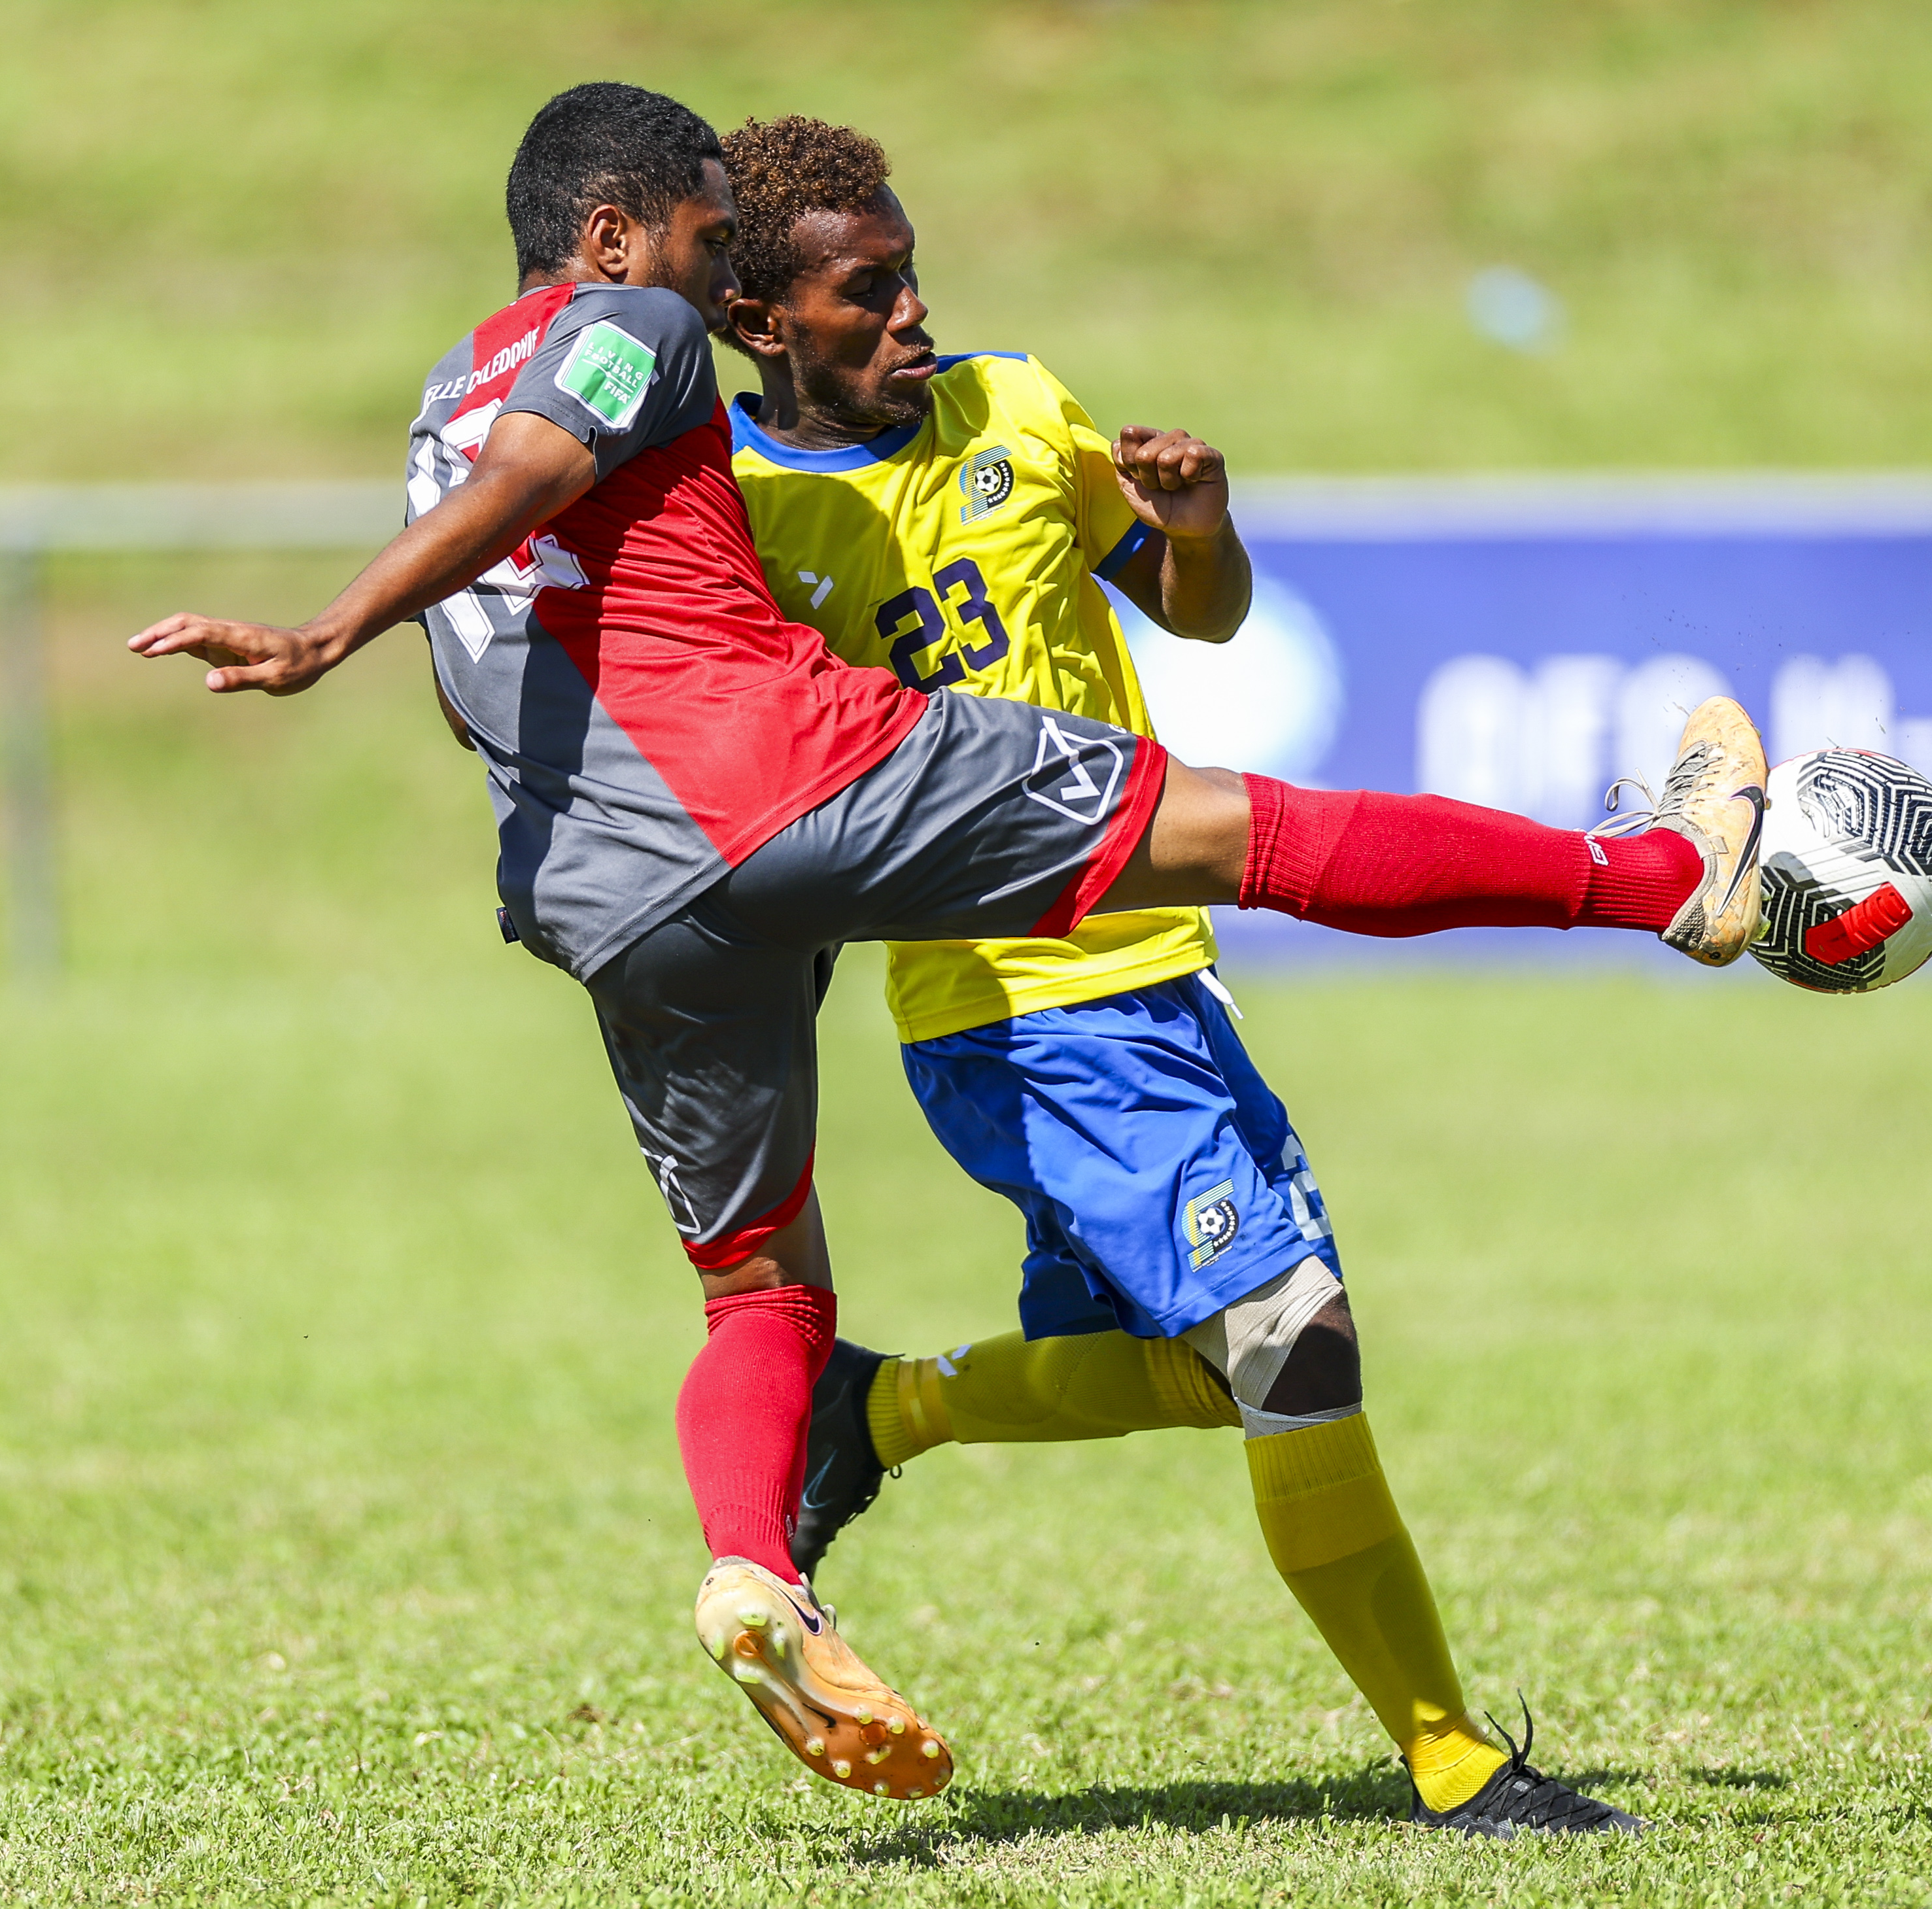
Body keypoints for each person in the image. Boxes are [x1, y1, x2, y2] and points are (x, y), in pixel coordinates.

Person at [130, 80, 1767, 1816]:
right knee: (1274, 1140)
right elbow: (563, 467)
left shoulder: (506, 400)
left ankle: (791, 1520)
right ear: (650, 254)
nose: (908, 310)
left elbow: (529, 629)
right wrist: (327, 631)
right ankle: (1667, 881)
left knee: (820, 1300)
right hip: (899, 880)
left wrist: (1191, 529)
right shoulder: (639, 347)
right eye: (720, 246)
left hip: (623, 883)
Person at [714, 112, 1644, 1836]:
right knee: (1293, 1339)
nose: (914, 307)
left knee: (1205, 1368)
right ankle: (1452, 1762)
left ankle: (886, 1408)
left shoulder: (1013, 404)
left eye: (914, 267)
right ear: (766, 316)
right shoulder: (745, 517)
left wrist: (1196, 529)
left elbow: (1191, 612)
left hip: (1156, 965)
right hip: (1007, 1003)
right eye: (869, 288)